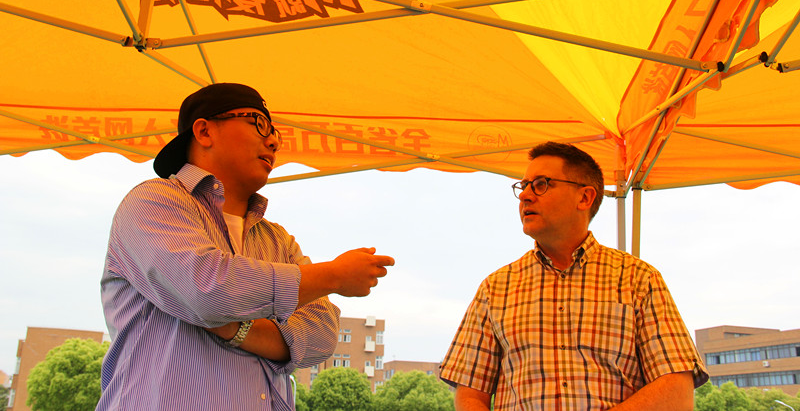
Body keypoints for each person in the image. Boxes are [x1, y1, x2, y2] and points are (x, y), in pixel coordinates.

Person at [97, 83, 395, 410]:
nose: (274, 141)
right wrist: (333, 275)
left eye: (275, 132)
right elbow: (209, 288)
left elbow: (321, 334)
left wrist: (235, 329)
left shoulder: (277, 239)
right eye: (259, 125)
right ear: (204, 131)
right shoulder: (154, 202)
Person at [439, 141, 708, 411]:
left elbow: (676, 390)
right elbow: (470, 394)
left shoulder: (639, 279)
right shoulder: (495, 288)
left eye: (541, 184)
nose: (525, 196)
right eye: (523, 186)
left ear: (585, 198)